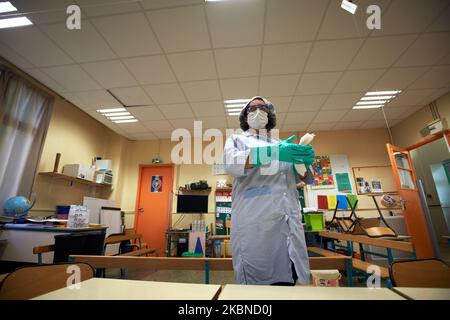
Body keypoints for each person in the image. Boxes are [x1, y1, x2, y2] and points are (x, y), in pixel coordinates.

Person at [223, 96, 315, 286]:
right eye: (252, 108)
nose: (258, 111)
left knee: (293, 281)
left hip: (288, 221)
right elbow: (232, 163)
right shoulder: (237, 140)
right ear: (244, 116)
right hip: (255, 224)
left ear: (270, 114)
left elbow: (304, 178)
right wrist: (274, 152)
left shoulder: (282, 145)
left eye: (263, 107)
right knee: (259, 288)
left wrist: (304, 161)